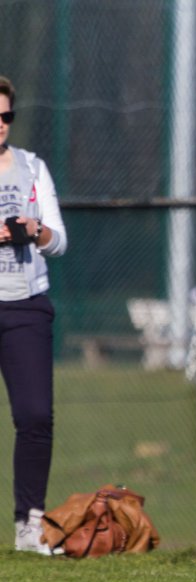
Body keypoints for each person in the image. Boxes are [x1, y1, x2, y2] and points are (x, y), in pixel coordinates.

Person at [0, 77, 67, 555]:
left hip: (25, 303)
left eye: (5, 117)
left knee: (35, 415)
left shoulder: (32, 168)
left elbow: (59, 240)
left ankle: (29, 523)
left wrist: (34, 229)